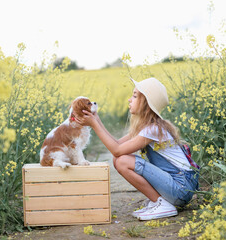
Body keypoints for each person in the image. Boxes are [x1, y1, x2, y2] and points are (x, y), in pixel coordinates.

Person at [76, 77, 199, 221]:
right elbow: (117, 144)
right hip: (179, 187)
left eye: (134, 96)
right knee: (119, 159)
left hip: (181, 188)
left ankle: (162, 204)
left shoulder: (153, 129)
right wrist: (95, 120)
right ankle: (159, 201)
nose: (129, 99)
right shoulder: (148, 127)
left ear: (145, 103)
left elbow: (117, 150)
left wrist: (94, 125)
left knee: (122, 161)